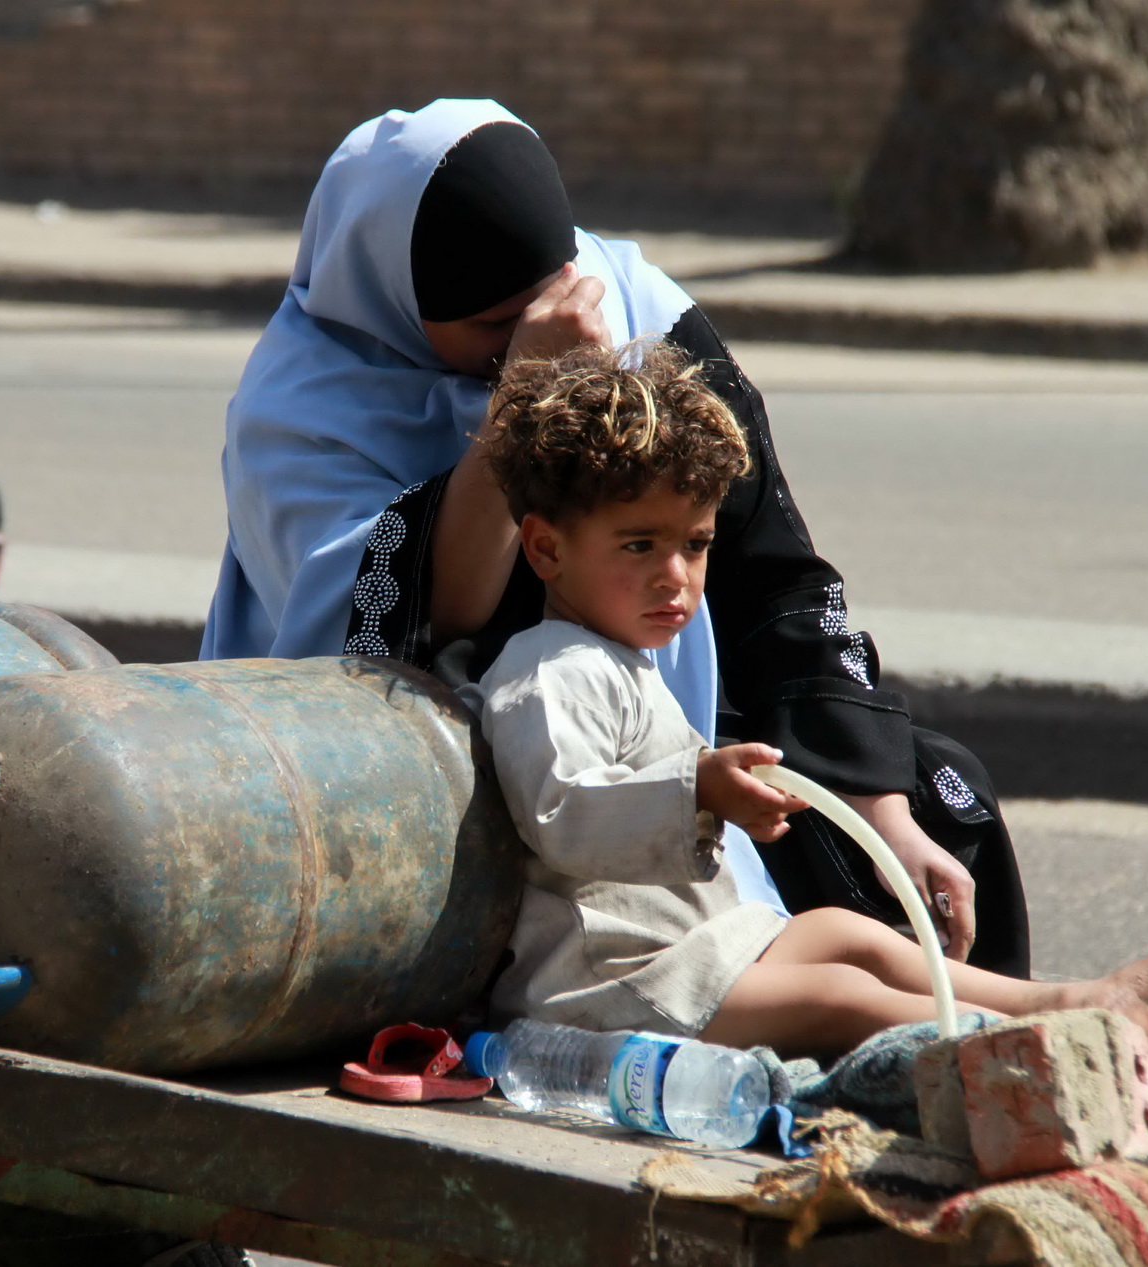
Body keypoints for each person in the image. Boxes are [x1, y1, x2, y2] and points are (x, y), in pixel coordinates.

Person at [203, 97, 1028, 975]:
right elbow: (404, 632)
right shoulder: (296, 416)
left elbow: (772, 574)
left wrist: (880, 811)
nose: (548, 328)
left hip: (668, 723)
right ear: (391, 295)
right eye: (495, 325)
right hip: (474, 772)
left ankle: (1014, 1033)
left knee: (939, 813)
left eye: (552, 291)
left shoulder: (633, 309)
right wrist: (520, 395)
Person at [464, 342, 1148, 1079]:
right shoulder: (547, 672)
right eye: (639, 546)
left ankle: (1069, 1002)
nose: (676, 576)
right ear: (546, 549)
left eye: (695, 545)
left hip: (690, 953)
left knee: (847, 935)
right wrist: (697, 792)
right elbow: (559, 813)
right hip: (609, 987)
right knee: (839, 995)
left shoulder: (614, 659)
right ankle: (1073, 1053)